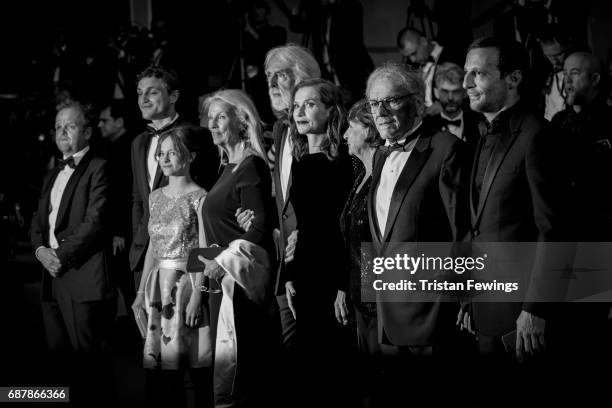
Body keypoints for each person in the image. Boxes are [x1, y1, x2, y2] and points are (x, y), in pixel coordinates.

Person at [461, 36, 570, 405]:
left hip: (522, 315)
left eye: (478, 73)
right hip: (484, 307)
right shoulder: (480, 135)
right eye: (466, 73)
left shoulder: (538, 135)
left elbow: (553, 231)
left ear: (513, 78)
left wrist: (535, 309)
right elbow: (477, 226)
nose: (466, 84)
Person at [365, 62, 468, 406]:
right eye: (373, 103)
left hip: (431, 311)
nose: (380, 112)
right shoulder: (380, 154)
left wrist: (460, 298)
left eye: (390, 101)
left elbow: (461, 230)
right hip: (386, 310)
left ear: (418, 102)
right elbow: (379, 233)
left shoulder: (445, 148)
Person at [31, 102, 117, 406]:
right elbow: (37, 222)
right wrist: (41, 250)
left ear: (88, 131)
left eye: (70, 125)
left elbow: (94, 222)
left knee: (90, 369)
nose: (62, 132)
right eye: (58, 126)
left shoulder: (99, 167)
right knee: (59, 365)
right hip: (51, 280)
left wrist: (59, 256)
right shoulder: (52, 173)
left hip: (82, 278)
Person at [199, 89, 277, 407]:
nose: (213, 124)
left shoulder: (250, 166)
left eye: (221, 116)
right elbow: (221, 229)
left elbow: (258, 227)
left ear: (241, 120)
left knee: (244, 375)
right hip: (220, 282)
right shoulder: (227, 167)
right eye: (210, 117)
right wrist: (199, 270)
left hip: (239, 287)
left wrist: (220, 264)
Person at [131, 126, 212, 407]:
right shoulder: (155, 197)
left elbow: (202, 249)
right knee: (162, 370)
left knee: (193, 365)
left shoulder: (200, 196)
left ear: (189, 156)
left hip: (186, 287)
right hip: (157, 285)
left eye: (172, 152)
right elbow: (153, 247)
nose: (164, 159)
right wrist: (141, 293)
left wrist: (198, 295)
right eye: (160, 153)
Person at [548, 50, 612, 405]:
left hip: (600, 247)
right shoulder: (557, 123)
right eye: (564, 73)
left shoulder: (610, 122)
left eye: (574, 73)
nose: (567, 80)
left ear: (595, 80)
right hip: (561, 248)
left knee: (594, 343)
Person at [130, 65, 218, 292]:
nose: (143, 99)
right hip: (144, 256)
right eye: (140, 93)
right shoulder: (138, 143)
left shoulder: (197, 136)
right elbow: (138, 199)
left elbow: (207, 199)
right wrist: (139, 243)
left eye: (152, 92)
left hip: (185, 260)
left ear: (174, 95)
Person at [263, 44, 321, 352]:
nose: (271, 84)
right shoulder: (279, 129)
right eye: (268, 76)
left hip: (316, 259)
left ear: (302, 77)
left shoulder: (324, 126)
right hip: (286, 262)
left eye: (280, 76)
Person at [338, 99, 383, 405]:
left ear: (368, 129)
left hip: (380, 297)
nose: (344, 136)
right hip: (359, 293)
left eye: (351, 127)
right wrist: (344, 288)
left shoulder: (384, 173)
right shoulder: (360, 175)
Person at [98, 100, 137, 337]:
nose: (100, 125)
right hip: (116, 231)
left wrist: (119, 232)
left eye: (105, 120)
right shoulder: (113, 147)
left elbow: (125, 194)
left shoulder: (125, 149)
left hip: (121, 234)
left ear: (119, 122)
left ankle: (139, 336)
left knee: (126, 284)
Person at [396, 27, 464, 110]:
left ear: (423, 41)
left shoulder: (453, 55)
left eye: (414, 53)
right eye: (408, 56)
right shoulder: (414, 65)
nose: (412, 59)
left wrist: (443, 107)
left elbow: (463, 93)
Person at [425, 61, 483, 157]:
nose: (450, 98)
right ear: (436, 92)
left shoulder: (479, 122)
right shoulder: (427, 126)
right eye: (445, 91)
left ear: (465, 93)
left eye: (456, 91)